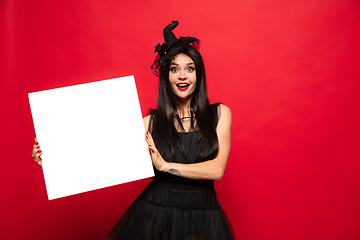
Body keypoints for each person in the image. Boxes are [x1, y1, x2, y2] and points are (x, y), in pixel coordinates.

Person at [32, 21, 235, 240]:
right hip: (156, 213)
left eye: (190, 69)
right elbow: (102, 153)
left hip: (204, 217)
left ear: (199, 74)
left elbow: (217, 170)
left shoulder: (220, 114)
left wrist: (165, 166)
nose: (182, 76)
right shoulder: (150, 123)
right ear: (166, 75)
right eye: (174, 69)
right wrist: (54, 159)